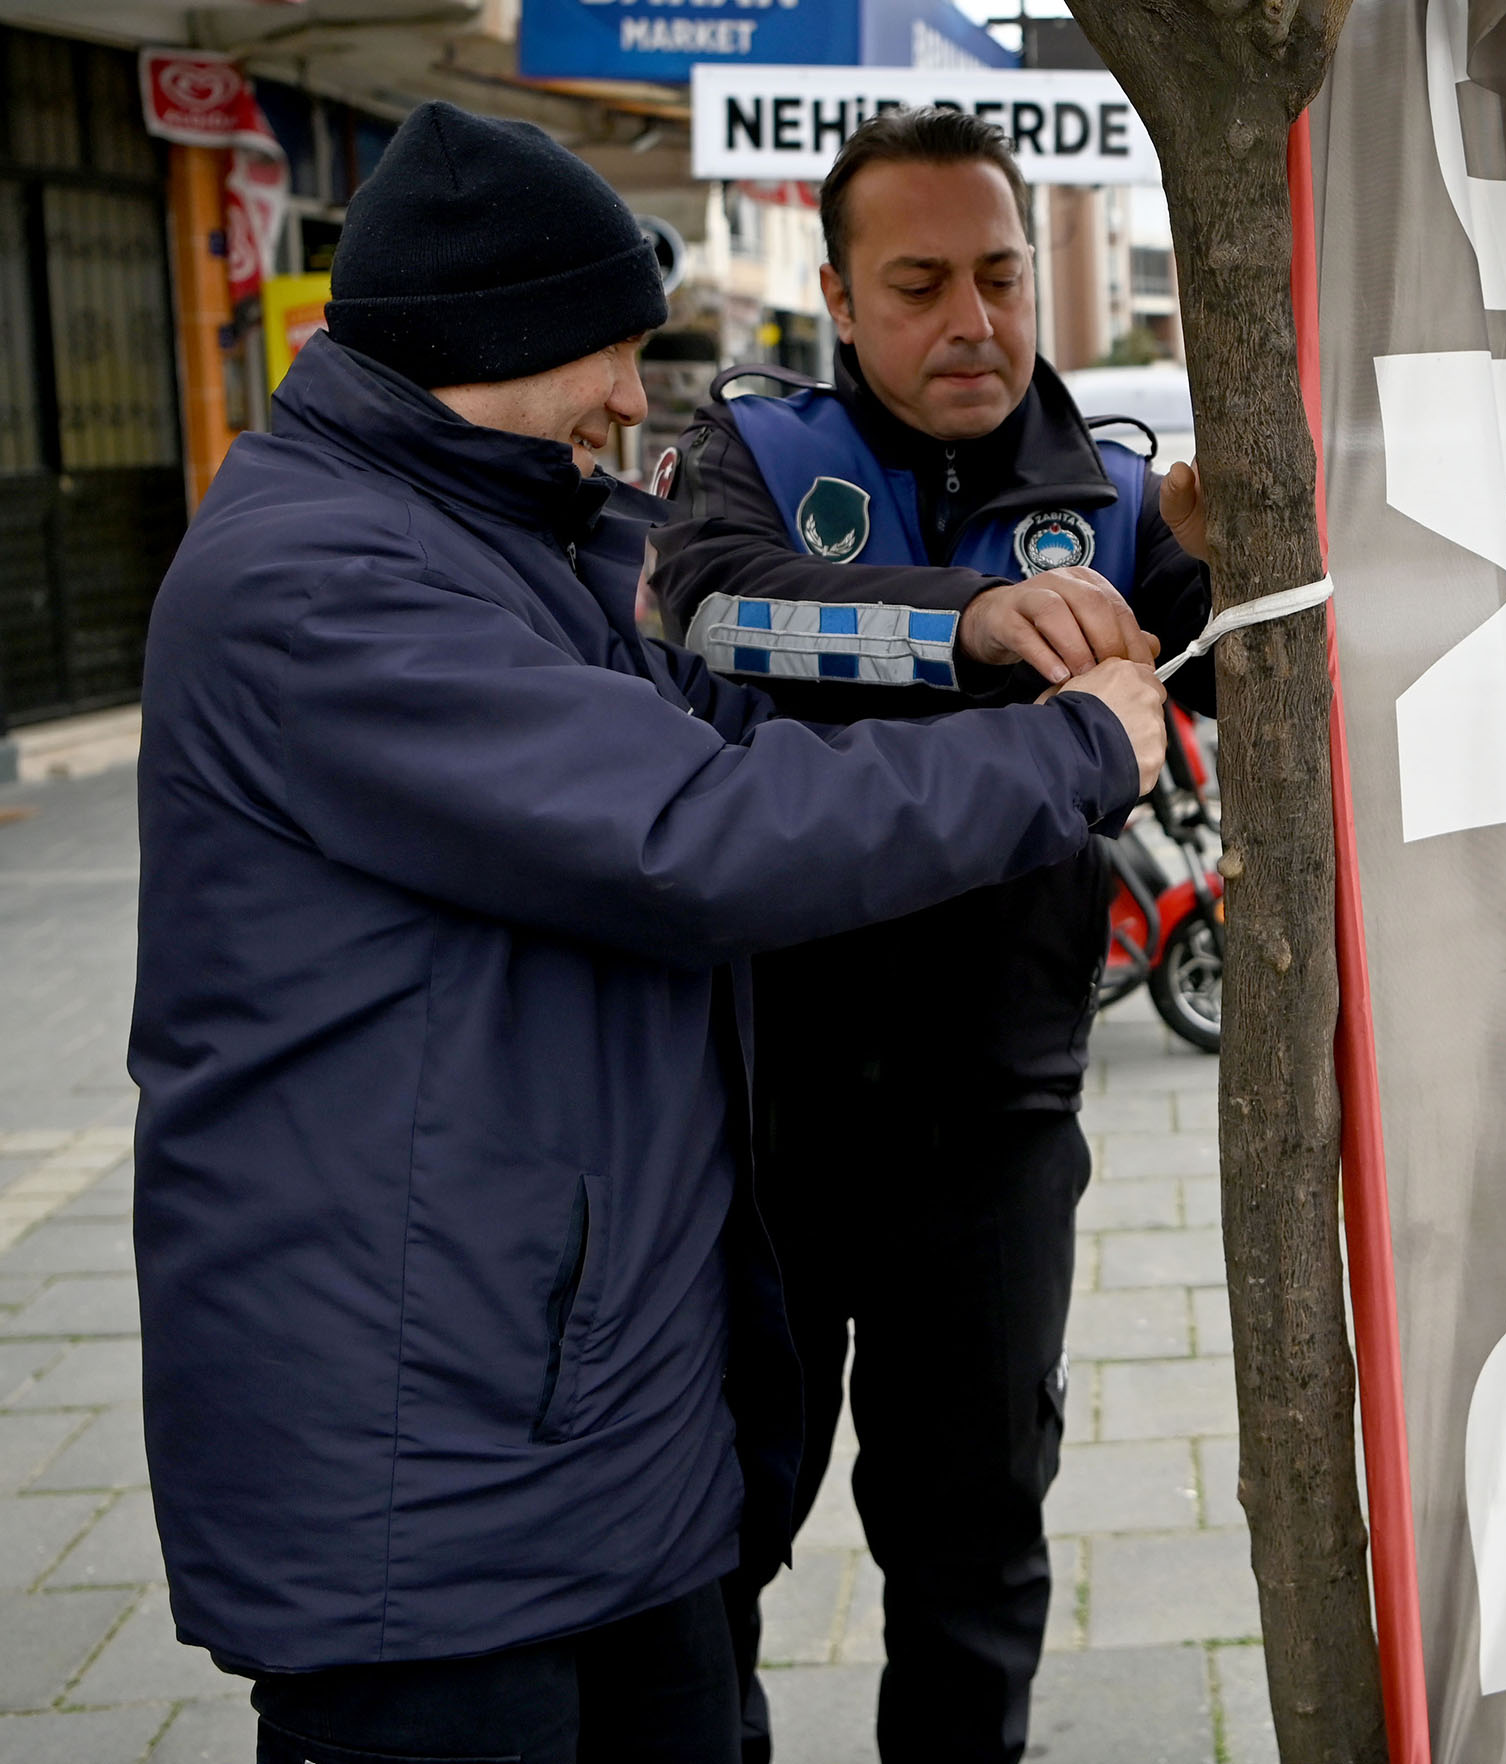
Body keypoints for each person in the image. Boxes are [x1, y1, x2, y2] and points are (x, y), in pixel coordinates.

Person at [128, 102, 1167, 1764]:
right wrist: (1071, 747)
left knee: (958, 1563)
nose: (634, 398)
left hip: (594, 1404)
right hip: (428, 1464)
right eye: (605, 355)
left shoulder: (530, 532)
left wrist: (986, 638)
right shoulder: (320, 586)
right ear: (480, 350)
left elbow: (734, 687)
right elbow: (694, 831)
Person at [649, 106, 1214, 1764]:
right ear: (835, 290)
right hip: (760, 1127)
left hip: (999, 1123)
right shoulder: (757, 454)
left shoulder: (1116, 494)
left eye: (998, 274)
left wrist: (1243, 541)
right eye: (919, 284)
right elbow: (716, 608)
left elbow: (1246, 664)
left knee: (973, 1556)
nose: (971, 319)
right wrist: (966, 621)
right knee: (714, 1543)